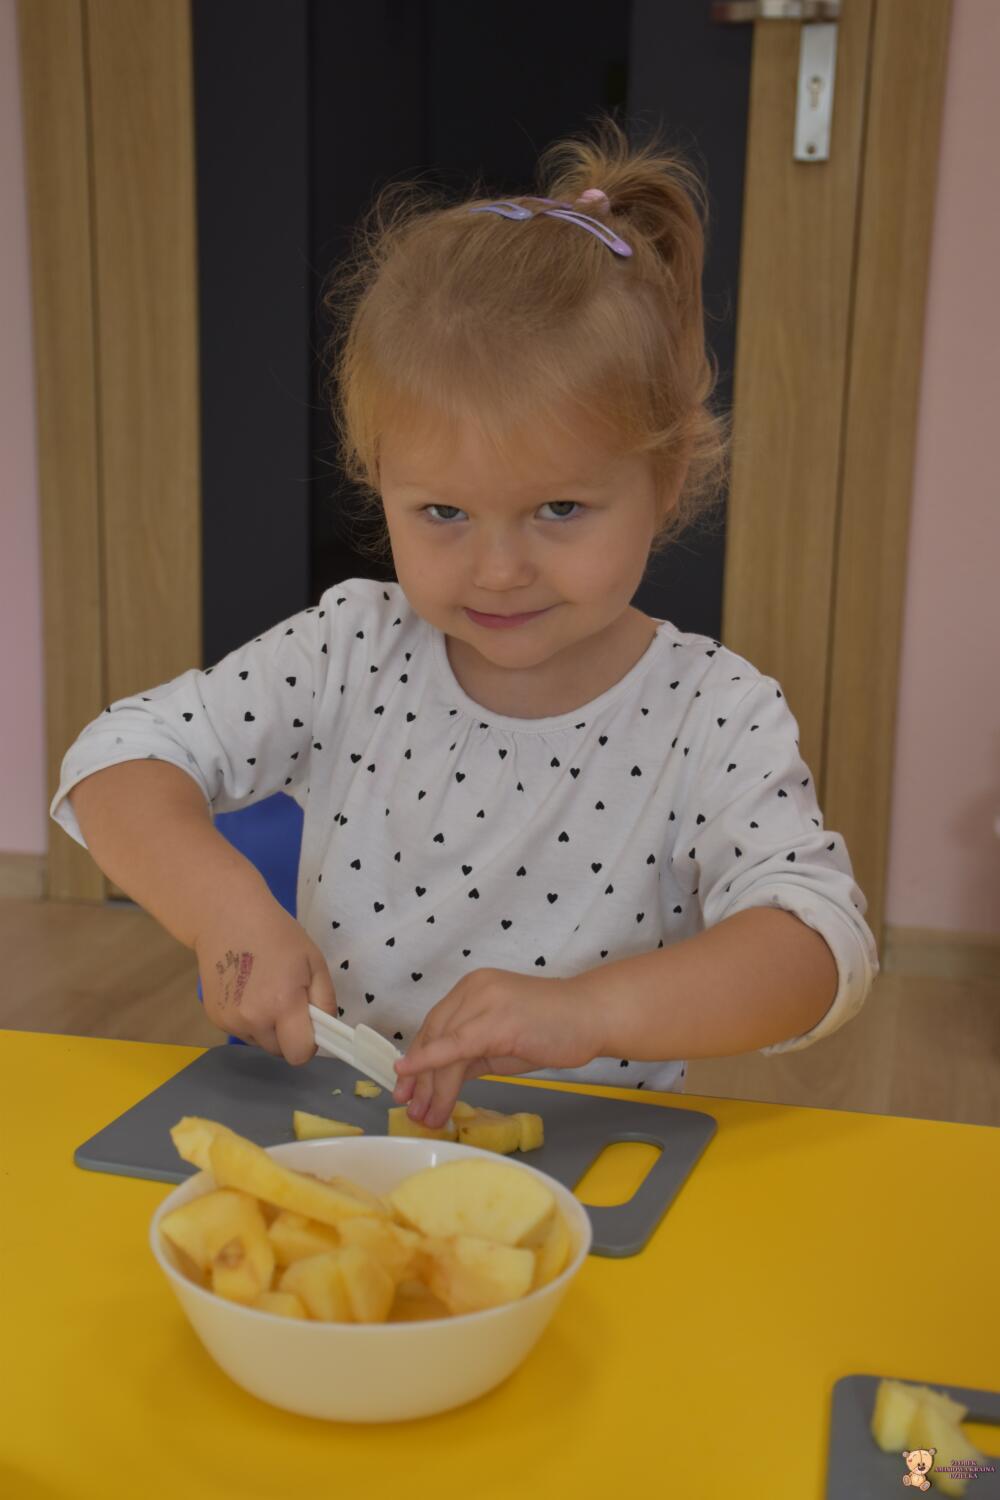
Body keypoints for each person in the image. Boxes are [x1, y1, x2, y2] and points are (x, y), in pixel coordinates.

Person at [51, 114, 878, 1133]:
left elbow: (818, 941)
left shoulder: (714, 713)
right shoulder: (350, 647)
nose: (498, 569)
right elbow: (114, 760)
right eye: (442, 511)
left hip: (592, 1161)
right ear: (382, 482)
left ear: (663, 482)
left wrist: (590, 1012)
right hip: (348, 1142)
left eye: (559, 509)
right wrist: (223, 908)